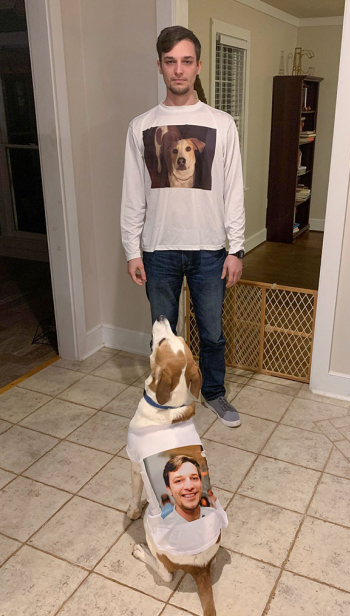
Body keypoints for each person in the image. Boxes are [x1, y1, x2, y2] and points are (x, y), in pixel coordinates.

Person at [120, 25, 246, 427]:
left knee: (212, 332)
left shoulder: (222, 123)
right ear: (159, 66)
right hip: (158, 250)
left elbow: (234, 190)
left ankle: (214, 392)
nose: (179, 70)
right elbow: (133, 193)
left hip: (209, 248)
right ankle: (168, 398)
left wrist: (236, 248)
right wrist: (132, 250)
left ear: (198, 66)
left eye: (186, 61)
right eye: (170, 61)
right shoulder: (141, 126)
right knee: (163, 336)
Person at [163, 455, 214, 523]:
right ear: (169, 489)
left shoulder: (214, 515)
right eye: (178, 481)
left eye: (194, 478)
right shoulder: (166, 527)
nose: (189, 487)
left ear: (200, 482)